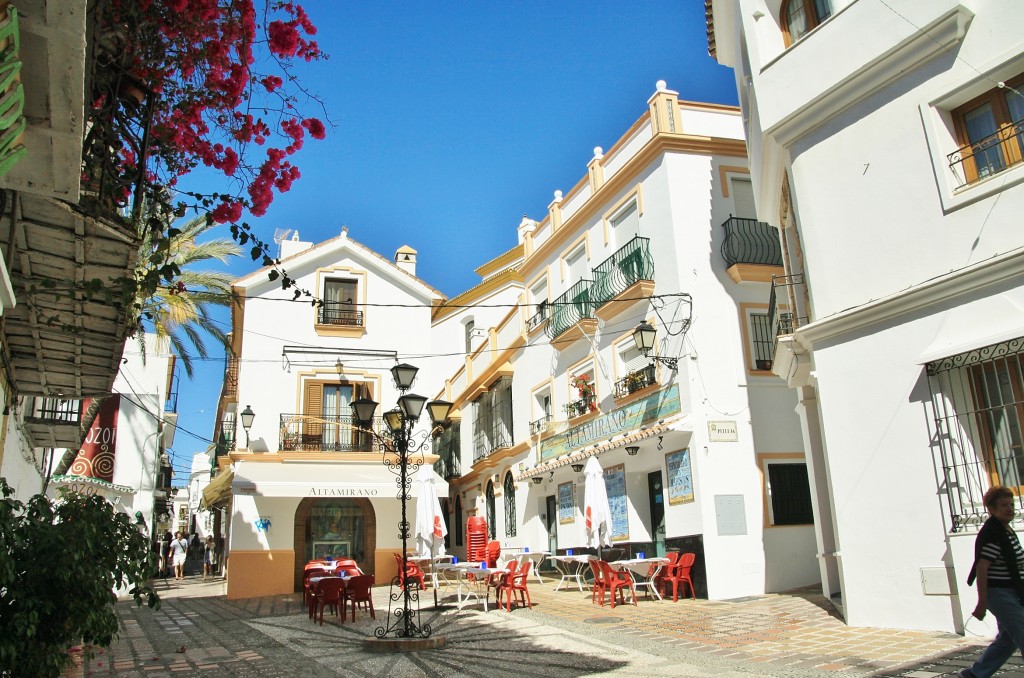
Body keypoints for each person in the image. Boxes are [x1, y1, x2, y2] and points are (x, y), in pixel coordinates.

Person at [961, 485, 1024, 678]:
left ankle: (975, 674)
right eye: (1004, 505)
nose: (1009, 509)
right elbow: (982, 568)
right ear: (992, 509)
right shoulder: (993, 533)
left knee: (1007, 639)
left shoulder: (1005, 530)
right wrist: (982, 602)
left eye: (1011, 504)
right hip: (1001, 594)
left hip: (1011, 592)